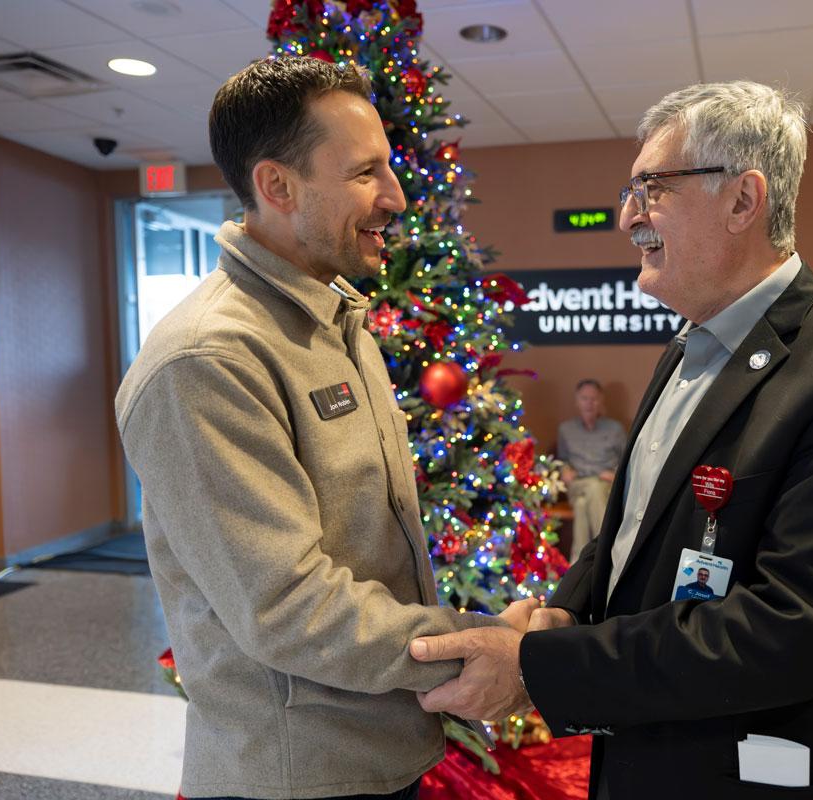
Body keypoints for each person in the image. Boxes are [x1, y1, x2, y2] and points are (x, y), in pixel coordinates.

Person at [409, 81, 813, 799]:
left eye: (650, 189)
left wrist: (540, 666)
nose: (628, 216)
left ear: (743, 200)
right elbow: (635, 530)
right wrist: (563, 609)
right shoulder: (686, 347)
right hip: (645, 761)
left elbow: (792, 629)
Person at [114, 57, 529, 800]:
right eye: (366, 173)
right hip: (297, 777)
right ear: (277, 186)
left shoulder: (339, 321)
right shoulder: (208, 359)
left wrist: (487, 635)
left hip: (381, 755)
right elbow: (287, 607)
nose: (397, 198)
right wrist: (479, 651)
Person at [557, 379, 626, 560]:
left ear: (601, 401)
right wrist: (564, 470)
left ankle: (577, 563)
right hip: (577, 484)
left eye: (594, 399)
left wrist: (615, 474)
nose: (589, 403)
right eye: (584, 398)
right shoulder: (566, 429)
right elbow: (562, 460)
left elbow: (627, 461)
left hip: (606, 486)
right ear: (576, 401)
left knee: (583, 503)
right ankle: (605, 552)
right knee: (592, 488)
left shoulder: (615, 429)